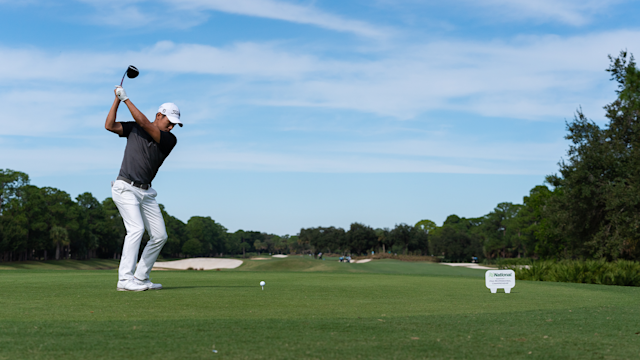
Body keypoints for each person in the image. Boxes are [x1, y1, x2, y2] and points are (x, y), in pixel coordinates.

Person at [105, 85, 182, 292]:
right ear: (160, 115)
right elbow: (109, 125)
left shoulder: (169, 140)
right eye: (170, 122)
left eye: (175, 124)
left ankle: (140, 278)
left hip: (146, 193)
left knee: (160, 236)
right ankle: (124, 280)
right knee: (136, 229)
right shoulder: (135, 128)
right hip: (125, 187)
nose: (172, 127)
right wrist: (117, 100)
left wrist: (127, 99)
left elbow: (145, 124)